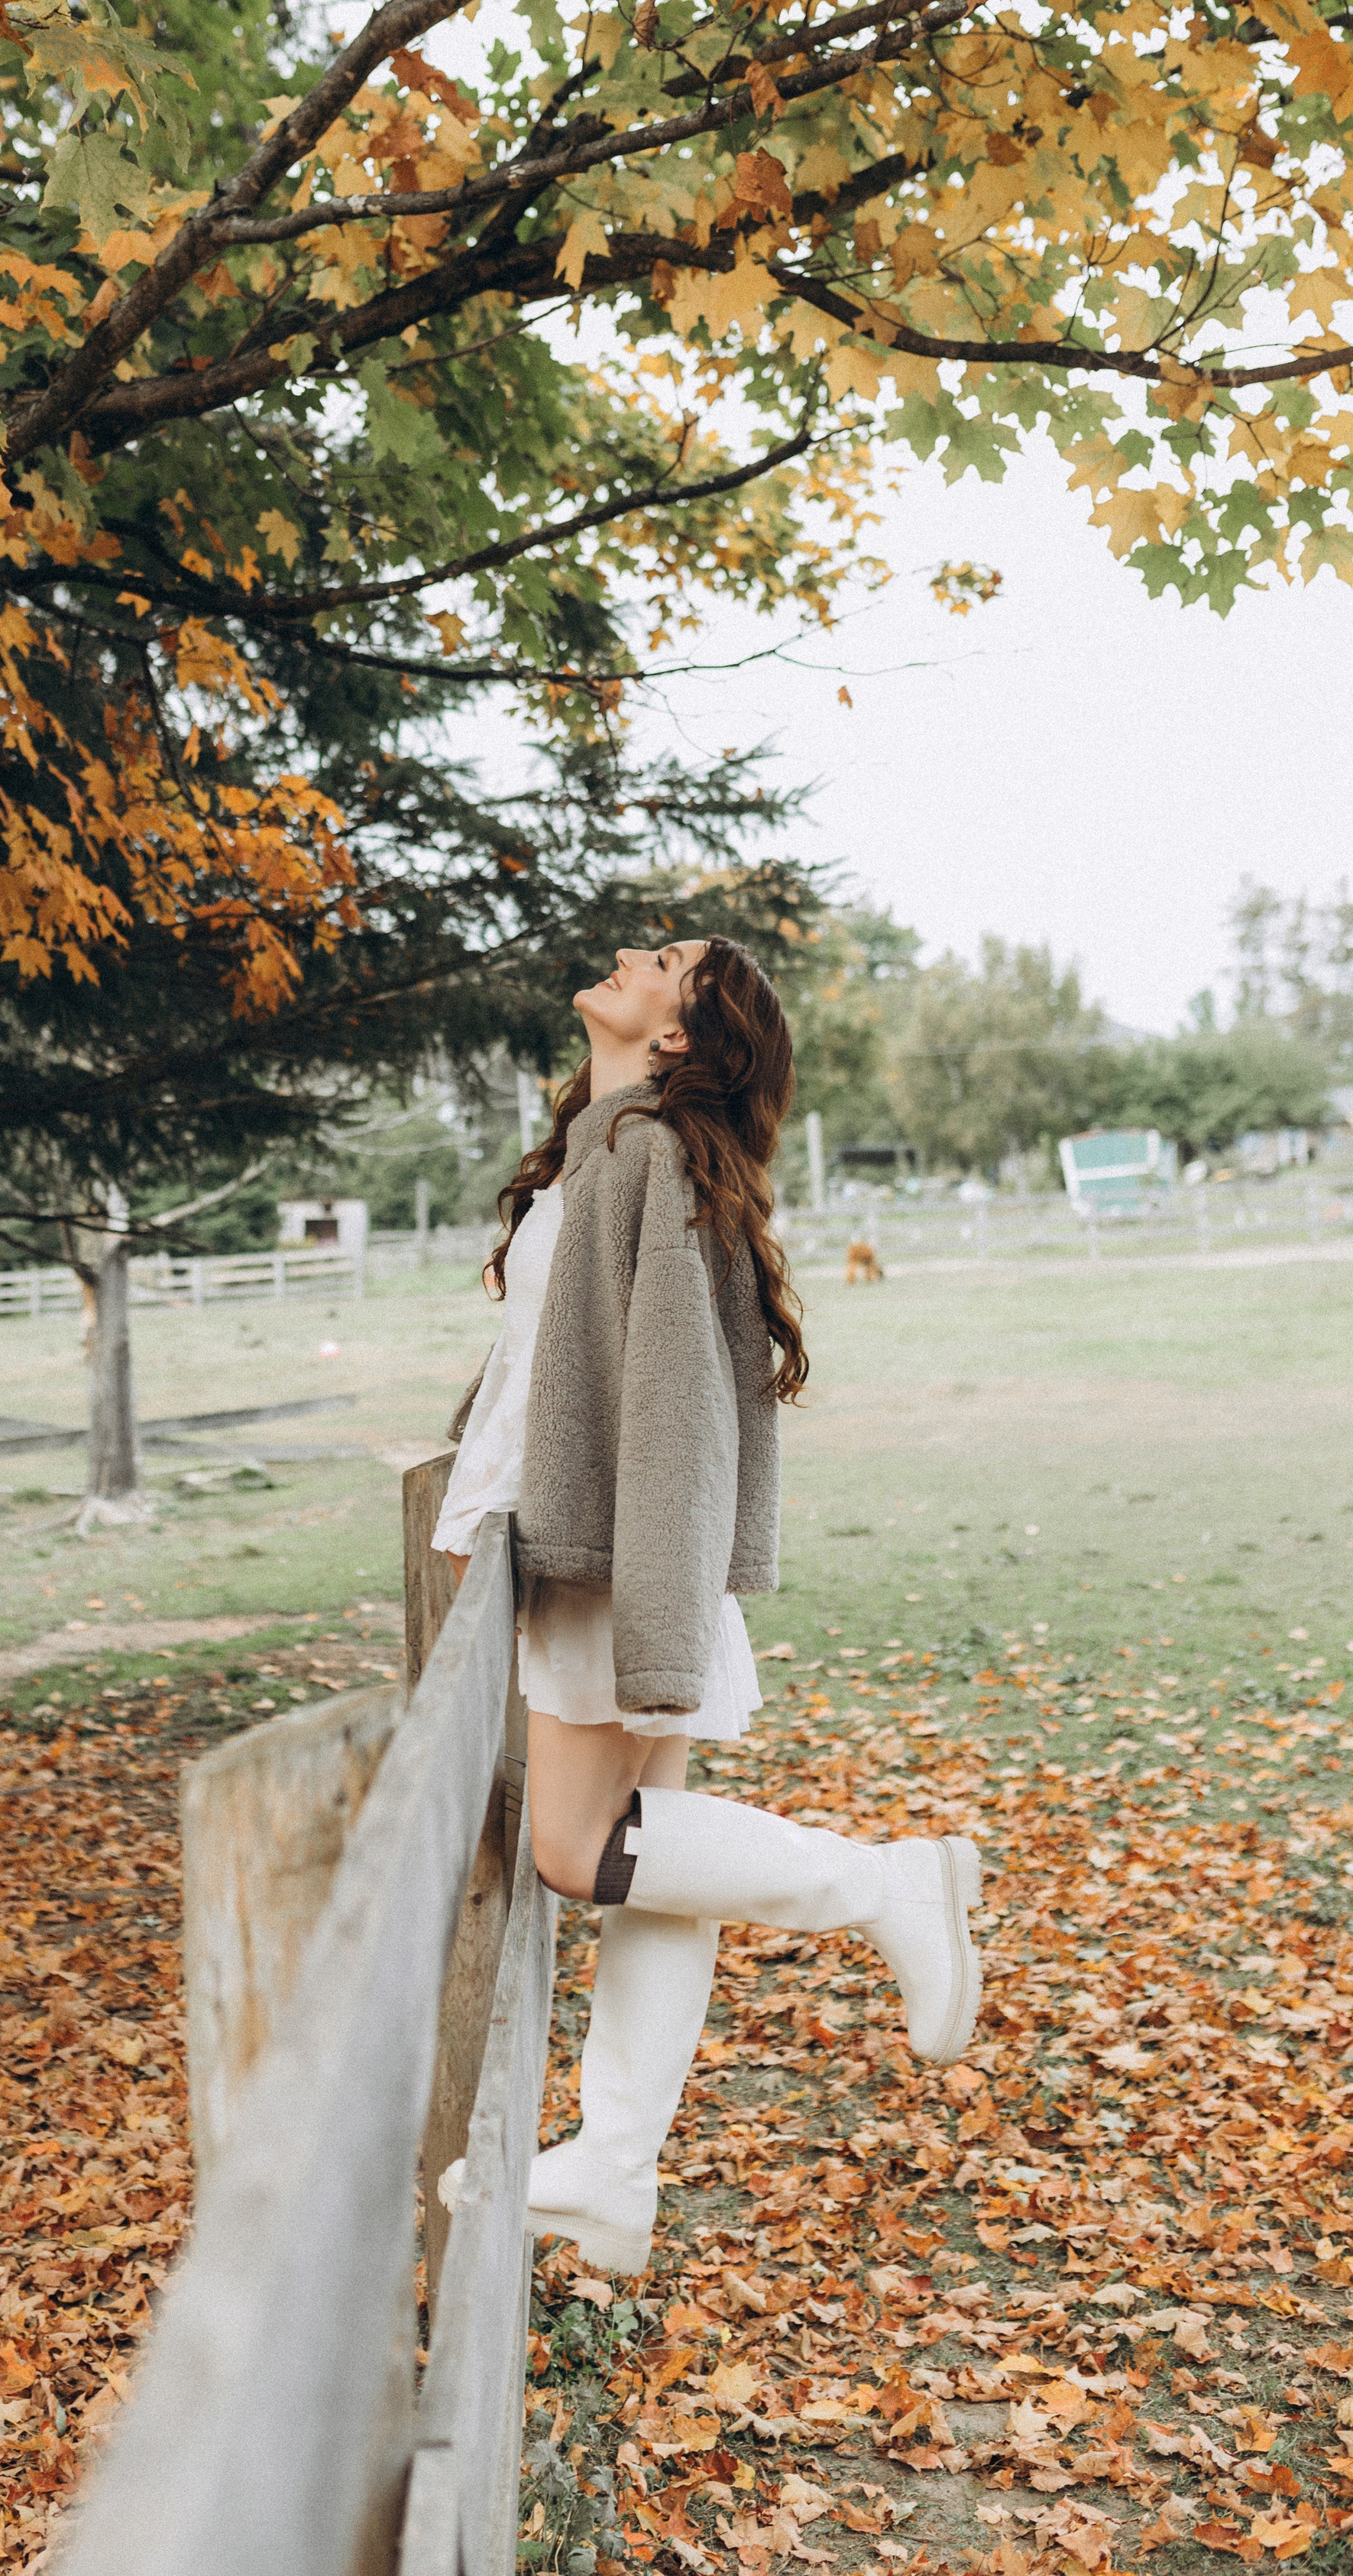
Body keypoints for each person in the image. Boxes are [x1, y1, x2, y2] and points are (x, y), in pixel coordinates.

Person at [431, 937, 982, 2275]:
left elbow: (678, 1407)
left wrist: (658, 1601)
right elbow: (535, 1372)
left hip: (616, 1562)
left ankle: (887, 1882)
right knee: (656, 1875)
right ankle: (616, 2170)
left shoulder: (647, 1157)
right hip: (607, 1551)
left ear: (679, 1035)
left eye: (663, 959)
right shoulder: (608, 1146)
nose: (629, 954)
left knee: (578, 1852)